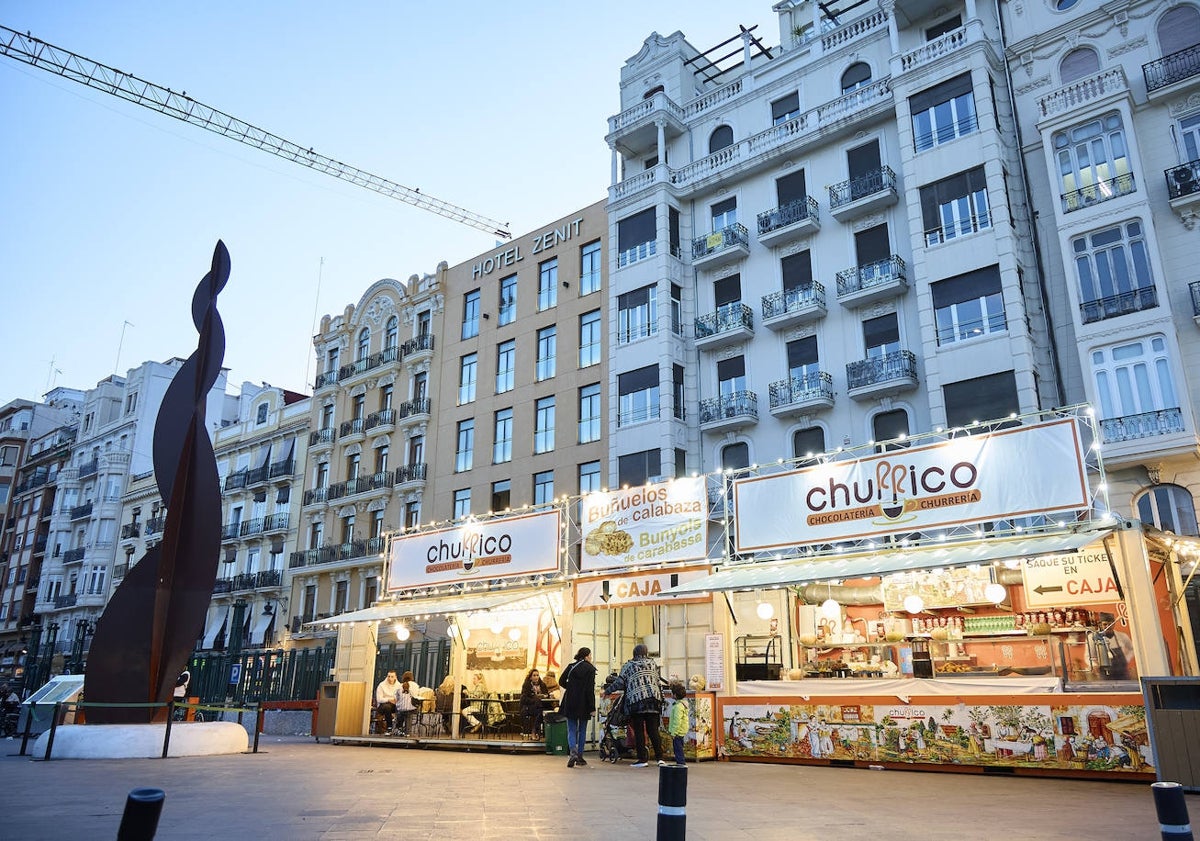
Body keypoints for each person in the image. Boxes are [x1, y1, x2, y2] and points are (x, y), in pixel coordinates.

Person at [617, 643, 666, 767]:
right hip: (653, 701)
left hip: (637, 702)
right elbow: (658, 682)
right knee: (653, 730)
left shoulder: (629, 665)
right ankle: (660, 758)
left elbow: (619, 683)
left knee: (639, 731)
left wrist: (608, 691)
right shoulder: (653, 664)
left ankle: (642, 759)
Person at [559, 647, 597, 768]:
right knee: (582, 729)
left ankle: (573, 753)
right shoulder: (590, 669)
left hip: (570, 701)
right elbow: (590, 690)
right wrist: (592, 707)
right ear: (586, 656)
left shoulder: (571, 666)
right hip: (584, 703)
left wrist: (570, 687)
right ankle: (580, 756)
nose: (591, 658)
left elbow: (561, 681)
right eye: (590, 656)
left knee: (571, 729)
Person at [519, 668, 549, 738]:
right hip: (528, 707)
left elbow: (546, 694)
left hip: (540, 705)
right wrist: (534, 699)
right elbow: (523, 699)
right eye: (534, 675)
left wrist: (545, 696)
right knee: (540, 711)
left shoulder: (542, 685)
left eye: (537, 675)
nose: (536, 677)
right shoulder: (527, 685)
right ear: (530, 677)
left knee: (544, 711)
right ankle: (534, 731)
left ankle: (536, 731)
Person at [394, 670, 422, 736]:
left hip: (401, 709)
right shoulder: (415, 685)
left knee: (400, 712)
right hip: (412, 708)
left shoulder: (399, 686)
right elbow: (417, 696)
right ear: (412, 677)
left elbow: (396, 698)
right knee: (409, 713)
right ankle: (407, 732)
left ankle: (399, 728)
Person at [667, 683, 688, 766]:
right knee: (679, 747)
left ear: (675, 695)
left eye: (672, 693)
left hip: (677, 732)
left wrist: (673, 733)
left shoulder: (678, 707)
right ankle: (680, 762)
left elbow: (677, 721)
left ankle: (681, 763)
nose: (671, 694)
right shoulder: (682, 705)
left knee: (678, 748)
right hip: (681, 731)